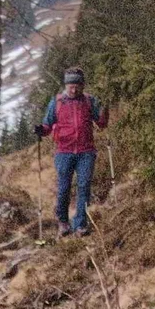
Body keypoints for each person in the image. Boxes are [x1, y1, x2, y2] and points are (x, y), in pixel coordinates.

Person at [35, 69, 110, 237]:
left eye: (77, 86)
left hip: (86, 151)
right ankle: (63, 221)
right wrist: (41, 130)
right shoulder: (57, 102)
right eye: (71, 86)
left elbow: (102, 123)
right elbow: (47, 125)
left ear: (82, 86)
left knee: (84, 187)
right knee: (64, 188)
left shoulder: (89, 101)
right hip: (64, 152)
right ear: (66, 85)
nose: (74, 90)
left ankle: (80, 224)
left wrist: (106, 109)